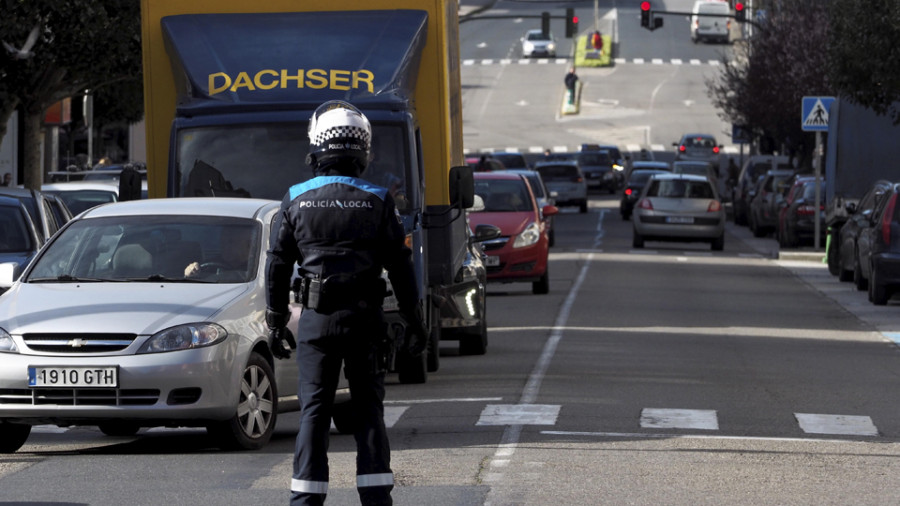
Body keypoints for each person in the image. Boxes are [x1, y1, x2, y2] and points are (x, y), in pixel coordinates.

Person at [265, 100, 426, 506]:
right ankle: (375, 500)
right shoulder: (377, 199)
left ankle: (305, 500)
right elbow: (401, 265)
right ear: (363, 151)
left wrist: (275, 318)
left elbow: (278, 263)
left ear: (315, 149)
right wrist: (414, 319)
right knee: (368, 410)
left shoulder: (295, 198)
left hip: (317, 322)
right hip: (364, 320)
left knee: (313, 412)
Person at [184, 226, 252, 281]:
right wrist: (190, 274)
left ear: (248, 245)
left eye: (231, 242)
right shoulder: (208, 266)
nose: (225, 246)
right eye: (223, 241)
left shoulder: (256, 268)